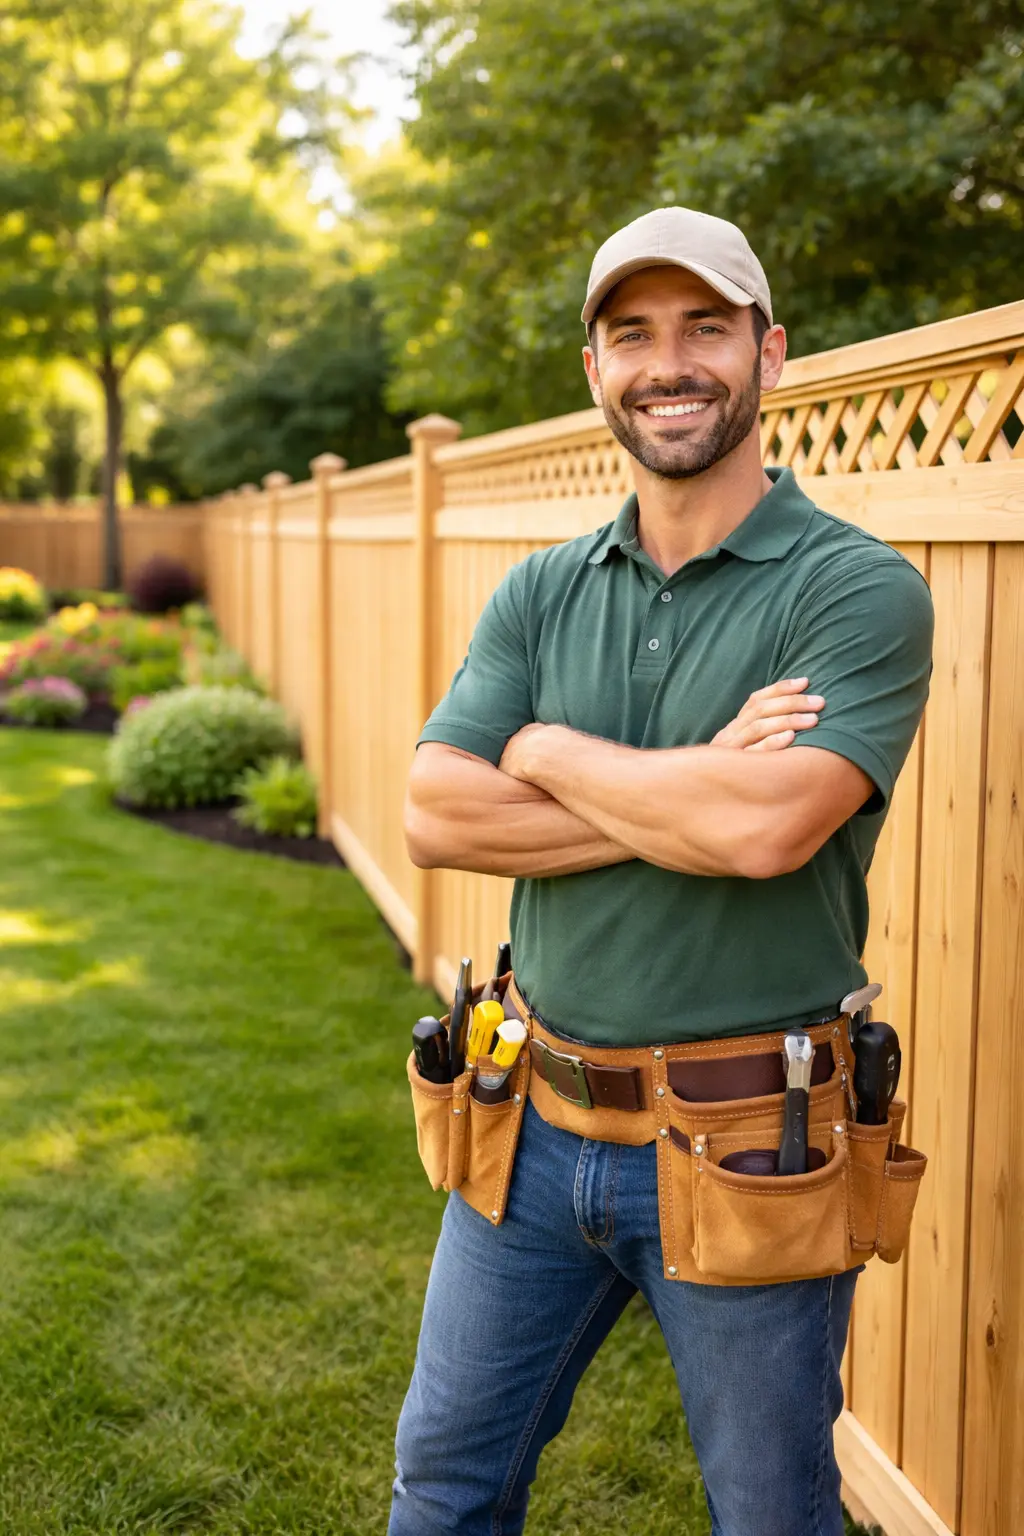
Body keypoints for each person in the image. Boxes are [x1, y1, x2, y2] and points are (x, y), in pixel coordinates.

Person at [391, 206, 934, 1536]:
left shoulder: (855, 592)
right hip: (523, 1124)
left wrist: (538, 747)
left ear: (772, 352)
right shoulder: (540, 592)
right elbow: (435, 812)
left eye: (705, 327)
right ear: (595, 372)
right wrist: (698, 769)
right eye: (631, 334)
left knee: (769, 1514)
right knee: (444, 1486)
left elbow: (765, 834)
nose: (668, 361)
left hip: (750, 1143)